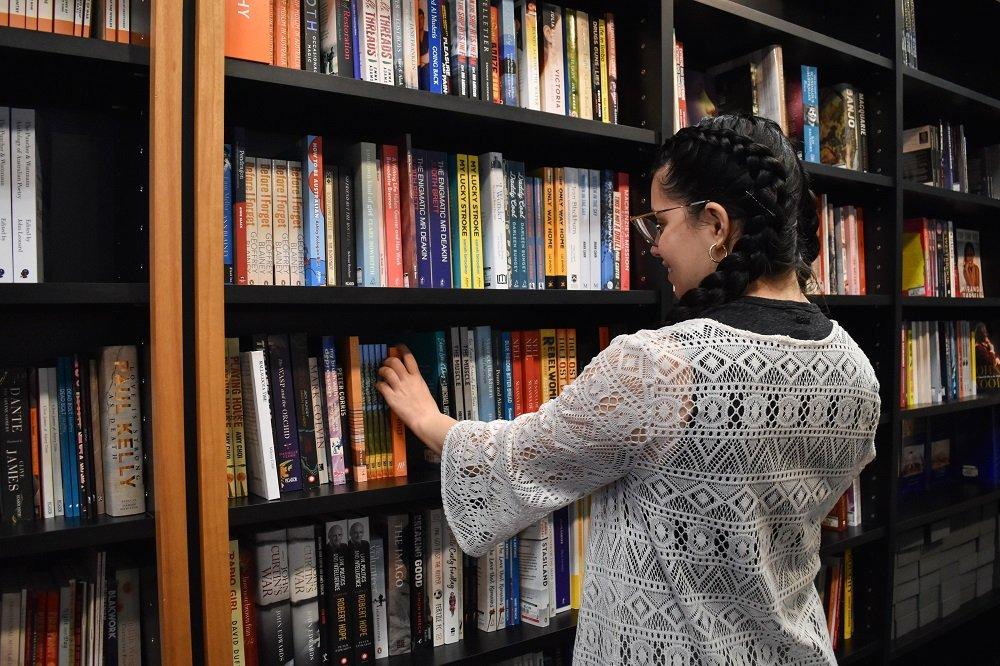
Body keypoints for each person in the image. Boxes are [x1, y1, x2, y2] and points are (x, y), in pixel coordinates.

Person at [377, 114, 881, 664]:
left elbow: (520, 461)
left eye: (658, 223)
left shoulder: (660, 368)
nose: (654, 247)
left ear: (714, 224)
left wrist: (429, 420)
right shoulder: (855, 370)